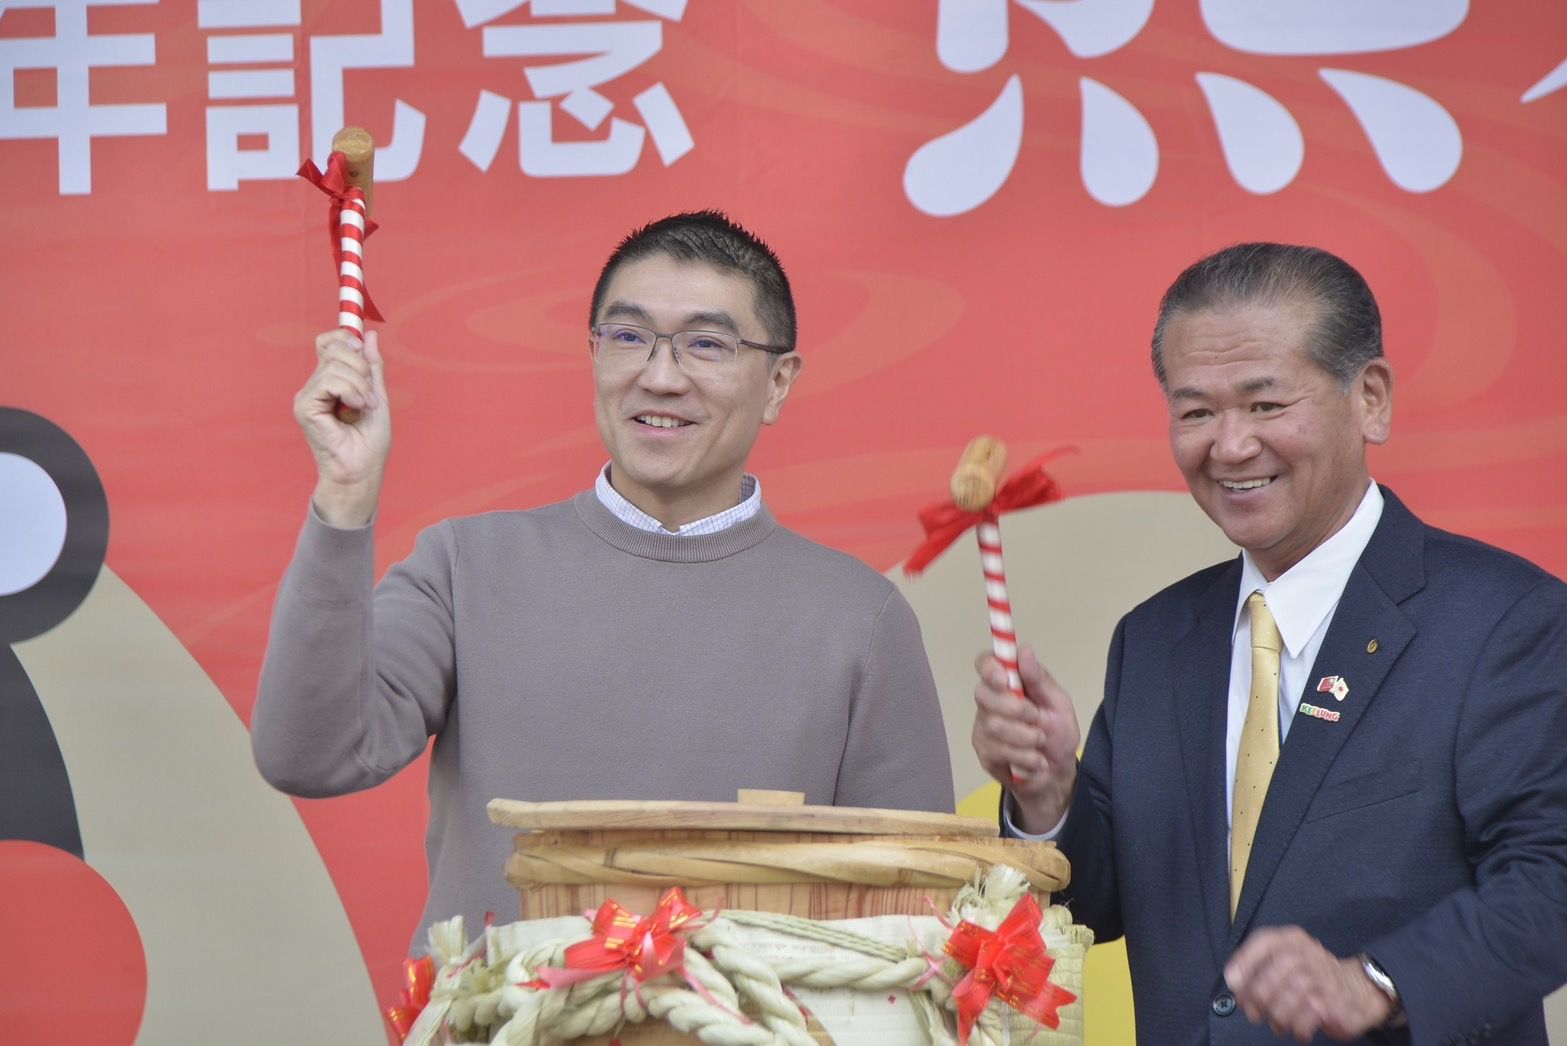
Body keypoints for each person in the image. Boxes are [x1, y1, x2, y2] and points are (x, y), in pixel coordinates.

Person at [253, 210, 954, 947]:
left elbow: (911, 919)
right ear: (593, 354)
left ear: (778, 382)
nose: (659, 376)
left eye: (706, 345)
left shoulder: (859, 617)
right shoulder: (466, 565)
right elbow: (309, 753)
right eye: (627, 337)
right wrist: (344, 494)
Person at [972, 243, 1567, 1043]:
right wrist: (1048, 797)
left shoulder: (1503, 620)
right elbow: (1098, 906)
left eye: (1263, 405)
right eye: (1194, 412)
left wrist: (1377, 981)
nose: (1228, 446)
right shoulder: (1154, 641)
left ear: (1370, 399)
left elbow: (1550, 883)